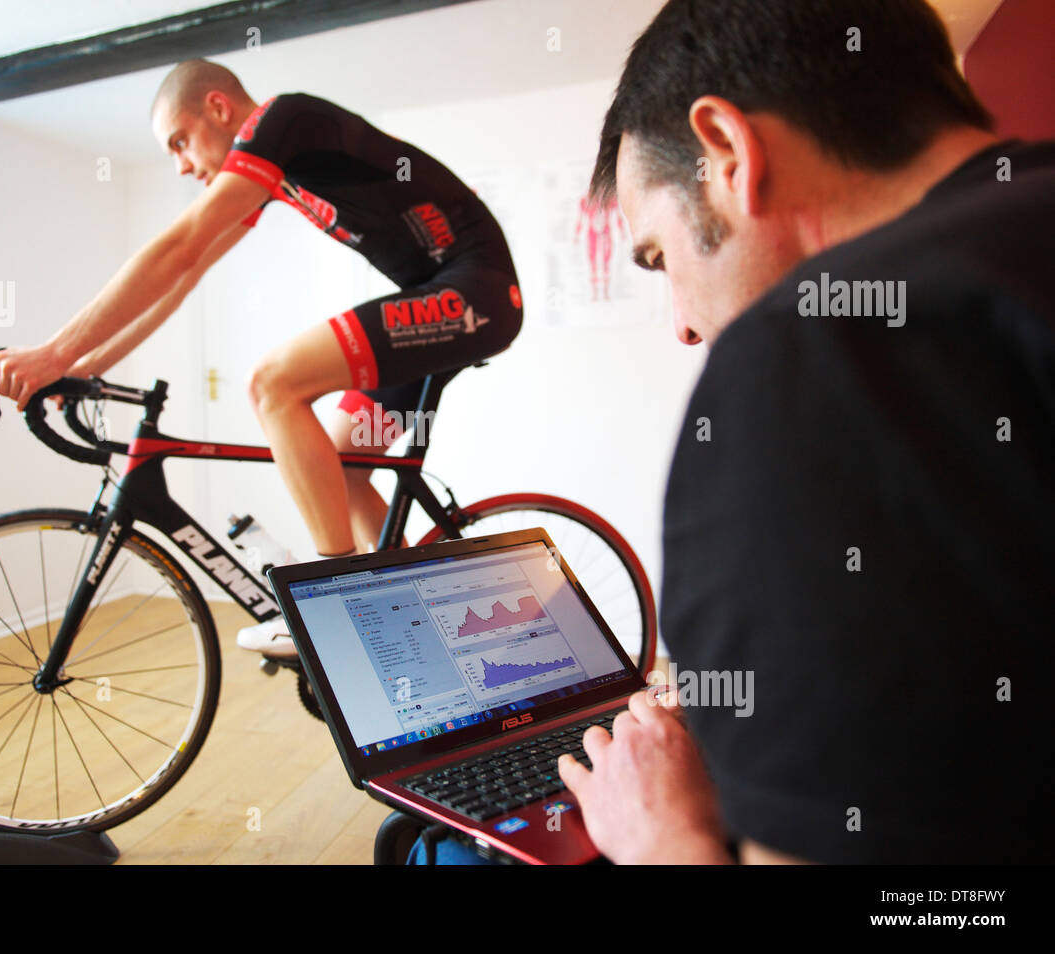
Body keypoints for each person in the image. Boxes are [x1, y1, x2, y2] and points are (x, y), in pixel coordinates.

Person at [414, 0, 1055, 864]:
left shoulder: (815, 355)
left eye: (658, 259)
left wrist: (660, 835)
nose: (679, 323)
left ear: (727, 150)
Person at [0, 60, 522, 657]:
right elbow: (184, 275)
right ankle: (420, 624)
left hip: (475, 294)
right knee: (340, 470)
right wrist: (81, 368)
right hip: (440, 298)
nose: (182, 165)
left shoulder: (281, 120)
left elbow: (177, 248)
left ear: (218, 107)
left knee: (273, 384)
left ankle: (328, 608)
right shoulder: (275, 170)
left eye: (179, 142)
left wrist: (54, 352)